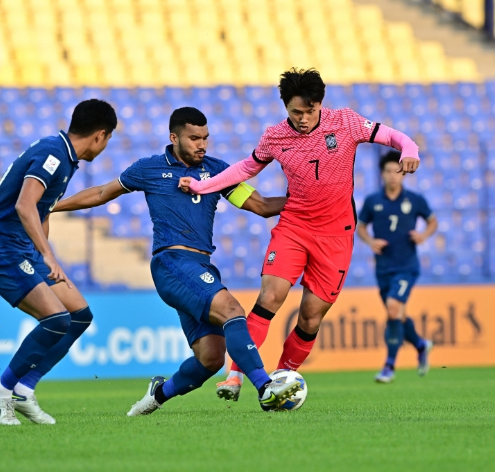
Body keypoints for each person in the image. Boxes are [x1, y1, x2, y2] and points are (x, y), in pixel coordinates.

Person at [178, 68, 421, 401]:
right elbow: (246, 168)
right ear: (285, 108)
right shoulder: (275, 136)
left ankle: (282, 376)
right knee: (270, 297)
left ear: (320, 104)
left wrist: (410, 150)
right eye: (296, 112)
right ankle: (235, 374)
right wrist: (203, 186)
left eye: (310, 111)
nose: (304, 119)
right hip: (294, 226)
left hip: (336, 235)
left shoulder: (346, 123)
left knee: (310, 316)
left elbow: (397, 138)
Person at [52, 107, 299, 414]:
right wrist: (52, 206)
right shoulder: (150, 169)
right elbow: (102, 192)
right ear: (174, 137)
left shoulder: (218, 171)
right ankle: (266, 387)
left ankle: (158, 394)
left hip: (201, 267)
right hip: (171, 262)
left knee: (210, 358)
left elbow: (260, 206)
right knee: (232, 310)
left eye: (206, 138)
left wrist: (307, 200)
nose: (202, 144)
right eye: (194, 138)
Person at [0, 99, 117, 425]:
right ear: (100, 136)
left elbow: (41, 210)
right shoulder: (54, 155)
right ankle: (1, 388)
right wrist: (48, 255)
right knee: (56, 319)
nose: (106, 146)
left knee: (79, 314)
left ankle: (24, 388)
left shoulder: (64, 158)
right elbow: (25, 206)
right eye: (108, 140)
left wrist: (42, 254)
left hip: (21, 249)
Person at [357, 150, 438, 383]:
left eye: (397, 171)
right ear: (382, 174)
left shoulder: (415, 200)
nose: (393, 176)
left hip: (406, 266)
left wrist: (423, 235)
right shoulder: (373, 201)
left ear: (403, 174)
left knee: (393, 309)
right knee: (398, 315)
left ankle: (389, 367)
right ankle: (421, 345)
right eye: (388, 171)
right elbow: (360, 227)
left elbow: (433, 221)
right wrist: (370, 241)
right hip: (383, 268)